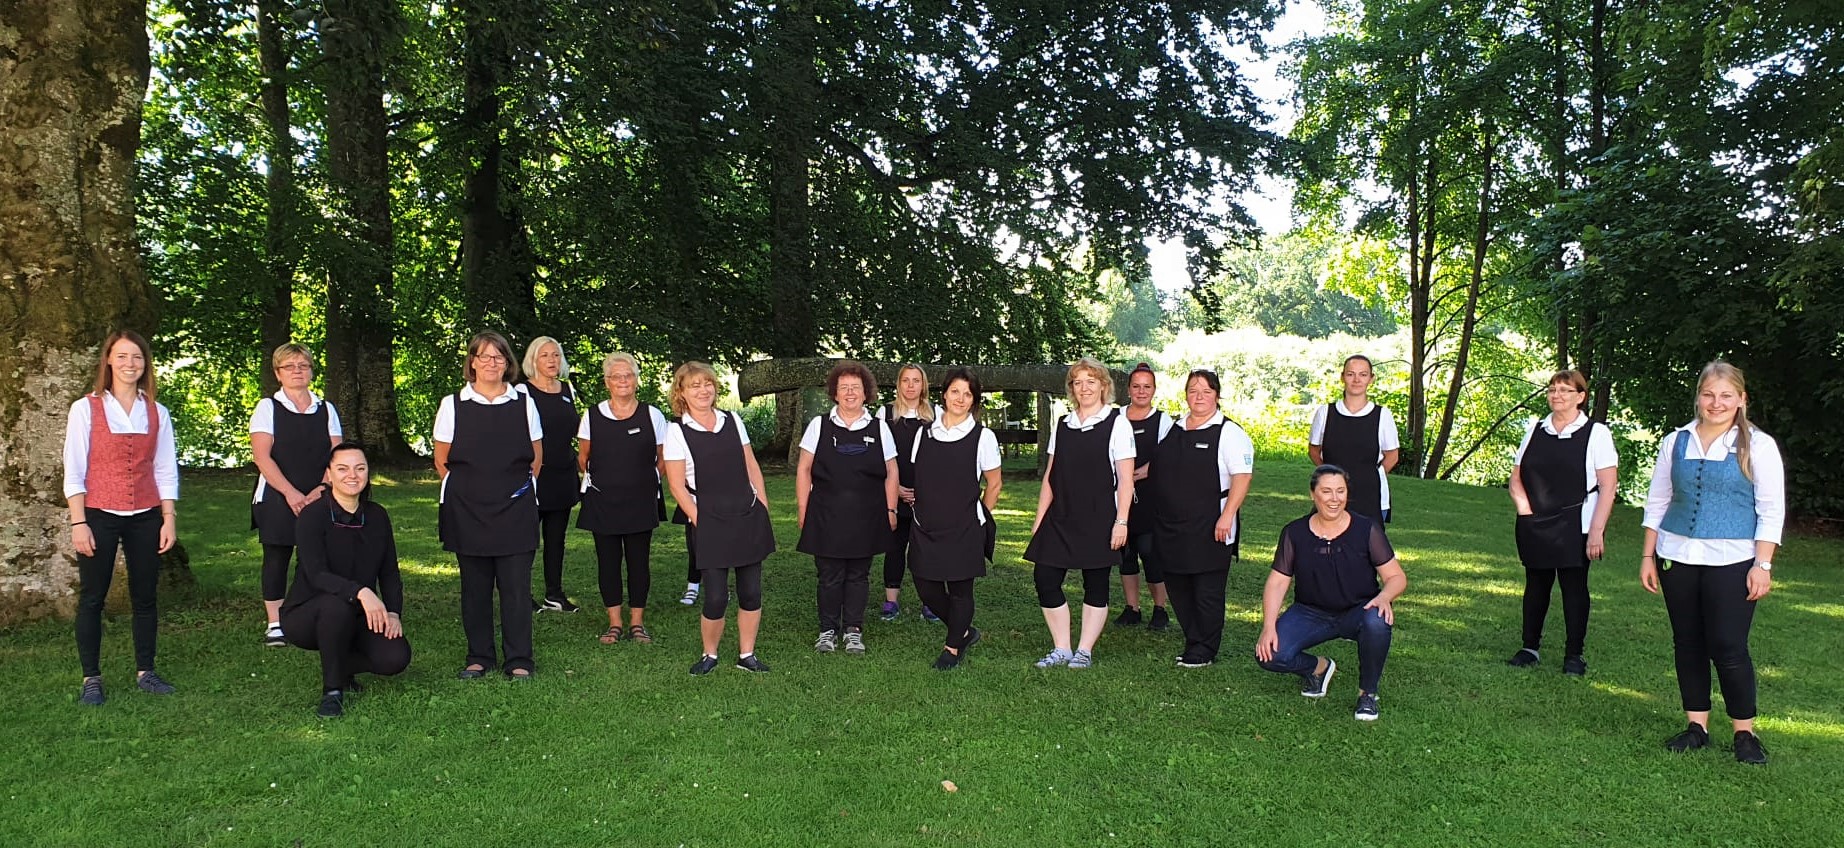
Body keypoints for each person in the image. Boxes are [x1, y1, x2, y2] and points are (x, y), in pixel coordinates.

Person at [1640, 361, 1785, 765]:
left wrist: (1763, 565)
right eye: (1708, 394)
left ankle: (1744, 733)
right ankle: (1696, 726)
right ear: (1698, 397)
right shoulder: (1676, 441)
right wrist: (1648, 554)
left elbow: (1771, 510)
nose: (1716, 403)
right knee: (1687, 641)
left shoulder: (1757, 445)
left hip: (1734, 558)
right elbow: (1658, 500)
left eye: (1726, 395)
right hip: (1677, 554)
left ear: (1741, 399)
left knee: (1728, 645)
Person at [64, 330, 181, 706]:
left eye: (138, 358)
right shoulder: (86, 408)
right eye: (123, 356)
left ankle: (146, 671)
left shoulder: (157, 412)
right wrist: (78, 522)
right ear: (109, 361)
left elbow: (165, 468)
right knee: (92, 597)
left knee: (145, 596)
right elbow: (74, 469)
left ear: (146, 364)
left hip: (146, 514)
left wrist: (168, 517)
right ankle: (91, 677)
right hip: (98, 513)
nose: (131, 364)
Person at [1257, 465, 1407, 721]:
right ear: (1312, 495)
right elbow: (1278, 582)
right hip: (1310, 612)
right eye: (1326, 491)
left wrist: (1383, 597)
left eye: (1340, 491)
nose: (1334, 499)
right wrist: (1268, 626)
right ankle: (1318, 668)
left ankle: (1367, 695)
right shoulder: (1294, 532)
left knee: (1378, 620)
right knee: (1270, 655)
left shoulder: (1366, 529)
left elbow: (1396, 577)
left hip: (1359, 610)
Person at [434, 331, 544, 680]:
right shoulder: (452, 404)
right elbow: (442, 460)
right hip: (468, 510)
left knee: (515, 588)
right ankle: (479, 656)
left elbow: (536, 456)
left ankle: (519, 660)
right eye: (484, 357)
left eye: (499, 357)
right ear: (472, 363)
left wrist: (516, 490)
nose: (491, 363)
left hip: (515, 509)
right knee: (475, 588)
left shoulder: (524, 401)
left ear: (508, 363)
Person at [663, 361, 777, 675]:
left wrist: (763, 505)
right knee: (714, 596)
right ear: (682, 393)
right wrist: (700, 518)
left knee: (751, 591)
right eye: (694, 385)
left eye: (707, 383)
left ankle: (747, 655)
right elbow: (675, 484)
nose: (703, 390)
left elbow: (750, 463)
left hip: (746, 514)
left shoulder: (732, 420)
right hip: (709, 518)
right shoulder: (676, 430)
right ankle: (709, 655)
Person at [281, 443, 411, 718]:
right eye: (342, 469)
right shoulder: (312, 516)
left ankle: (343, 664)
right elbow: (316, 574)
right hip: (308, 612)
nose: (352, 475)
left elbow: (389, 571)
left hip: (359, 613)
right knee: (335, 606)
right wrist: (361, 592)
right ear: (329, 474)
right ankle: (333, 691)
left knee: (395, 657)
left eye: (360, 468)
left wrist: (393, 611)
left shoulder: (377, 515)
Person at [1025, 357, 1135, 669]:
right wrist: (1038, 520)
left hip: (1100, 516)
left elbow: (1126, 479)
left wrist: (1121, 522)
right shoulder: (1063, 423)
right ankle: (1061, 648)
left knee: (1096, 583)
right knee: (1045, 577)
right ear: (1071, 388)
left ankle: (1084, 650)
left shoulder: (1117, 423)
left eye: (1091, 381)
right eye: (1078, 382)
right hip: (1060, 516)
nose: (1084, 387)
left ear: (1104, 385)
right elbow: (1050, 476)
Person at [1507, 370, 1617, 676]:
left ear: (1580, 397)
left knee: (1574, 587)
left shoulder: (1597, 433)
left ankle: (1574, 655)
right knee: (1536, 584)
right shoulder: (1535, 428)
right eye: (1553, 389)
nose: (1557, 395)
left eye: (1566, 390)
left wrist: (1597, 531)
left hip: (1577, 523)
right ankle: (1529, 647)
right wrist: (1525, 510)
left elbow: (1609, 486)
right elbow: (1516, 476)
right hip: (1534, 519)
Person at [1150, 368, 1254, 668]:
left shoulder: (1229, 433)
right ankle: (1193, 639)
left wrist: (1227, 516)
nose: (1199, 396)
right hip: (1170, 524)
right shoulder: (1174, 428)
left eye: (1206, 391)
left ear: (1217, 396)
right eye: (1193, 390)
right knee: (1177, 583)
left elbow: (1242, 477)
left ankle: (1205, 648)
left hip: (1211, 523)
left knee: (1206, 588)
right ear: (1185, 395)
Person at [796, 360, 899, 655]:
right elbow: (804, 469)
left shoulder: (879, 428)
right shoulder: (820, 425)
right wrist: (803, 508)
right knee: (829, 574)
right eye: (844, 388)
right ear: (835, 393)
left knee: (858, 574)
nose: (850, 393)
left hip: (867, 515)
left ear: (866, 393)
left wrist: (891, 510)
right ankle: (827, 630)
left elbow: (891, 472)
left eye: (856, 388)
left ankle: (853, 629)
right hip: (825, 513)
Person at [906, 368, 1002, 670]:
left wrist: (978, 516)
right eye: (955, 391)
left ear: (974, 400)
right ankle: (963, 630)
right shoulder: (925, 432)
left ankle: (952, 648)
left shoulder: (983, 436)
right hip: (925, 525)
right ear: (944, 393)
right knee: (926, 587)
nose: (960, 398)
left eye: (968, 394)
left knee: (961, 590)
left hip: (964, 527)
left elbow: (994, 484)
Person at [248, 344, 343, 648]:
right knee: (276, 557)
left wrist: (320, 489)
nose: (297, 371)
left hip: (320, 493)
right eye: (290, 366)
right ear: (278, 373)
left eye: (303, 365)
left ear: (312, 371)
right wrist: (291, 493)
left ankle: (307, 615)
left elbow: (337, 454)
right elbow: (262, 457)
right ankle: (275, 624)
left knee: (314, 557)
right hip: (277, 494)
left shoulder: (326, 409)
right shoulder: (267, 408)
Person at [575, 352, 668, 645]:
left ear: (636, 380)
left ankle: (637, 623)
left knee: (639, 562)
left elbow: (664, 459)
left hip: (641, 501)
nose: (623, 381)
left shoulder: (653, 414)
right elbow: (584, 457)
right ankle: (614, 623)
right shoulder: (591, 415)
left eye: (628, 375)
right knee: (608, 562)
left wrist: (646, 482)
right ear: (607, 382)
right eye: (617, 376)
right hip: (603, 501)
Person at [520, 336, 582, 613]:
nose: (551, 361)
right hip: (533, 475)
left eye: (556, 355)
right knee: (527, 539)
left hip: (563, 474)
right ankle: (521, 595)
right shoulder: (521, 392)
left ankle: (554, 594)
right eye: (545, 355)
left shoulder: (566, 389)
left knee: (556, 538)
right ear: (533, 360)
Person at [878, 363, 938, 622]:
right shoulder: (885, 413)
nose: (911, 385)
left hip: (927, 495)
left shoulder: (937, 414)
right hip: (895, 492)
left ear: (923, 385)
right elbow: (878, 456)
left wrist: (924, 491)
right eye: (906, 380)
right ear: (899, 384)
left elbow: (941, 456)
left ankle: (931, 601)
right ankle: (891, 602)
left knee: (926, 550)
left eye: (916, 380)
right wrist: (897, 489)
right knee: (894, 547)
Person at [1308, 355, 1401, 522]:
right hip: (1332, 495)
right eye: (1351, 374)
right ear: (1342, 377)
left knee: (1368, 544)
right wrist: (1329, 475)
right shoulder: (1325, 413)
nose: (1356, 380)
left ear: (1371, 379)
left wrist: (1372, 476)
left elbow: (1392, 456)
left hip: (1370, 495)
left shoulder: (1382, 416)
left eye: (1363, 374)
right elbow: (1314, 450)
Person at [1116, 362, 1173, 631]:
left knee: (1151, 553)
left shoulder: (1163, 421)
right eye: (1136, 386)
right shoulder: (1114, 417)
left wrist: (1134, 475)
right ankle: (1132, 608)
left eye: (1146, 387)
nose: (1141, 391)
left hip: (1151, 499)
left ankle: (1160, 610)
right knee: (1125, 554)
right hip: (1119, 498)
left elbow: (1166, 459)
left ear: (1154, 390)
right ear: (1128, 389)